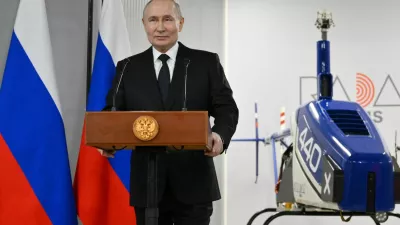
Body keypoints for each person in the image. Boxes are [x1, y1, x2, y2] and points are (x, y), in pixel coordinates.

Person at [98, 0, 239, 224]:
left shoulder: (206, 63)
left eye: (168, 19)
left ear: (180, 24)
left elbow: (226, 108)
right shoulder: (127, 67)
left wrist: (219, 136)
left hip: (195, 182)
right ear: (144, 24)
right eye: (153, 20)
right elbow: (112, 112)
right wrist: (108, 140)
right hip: (148, 183)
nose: (160, 27)